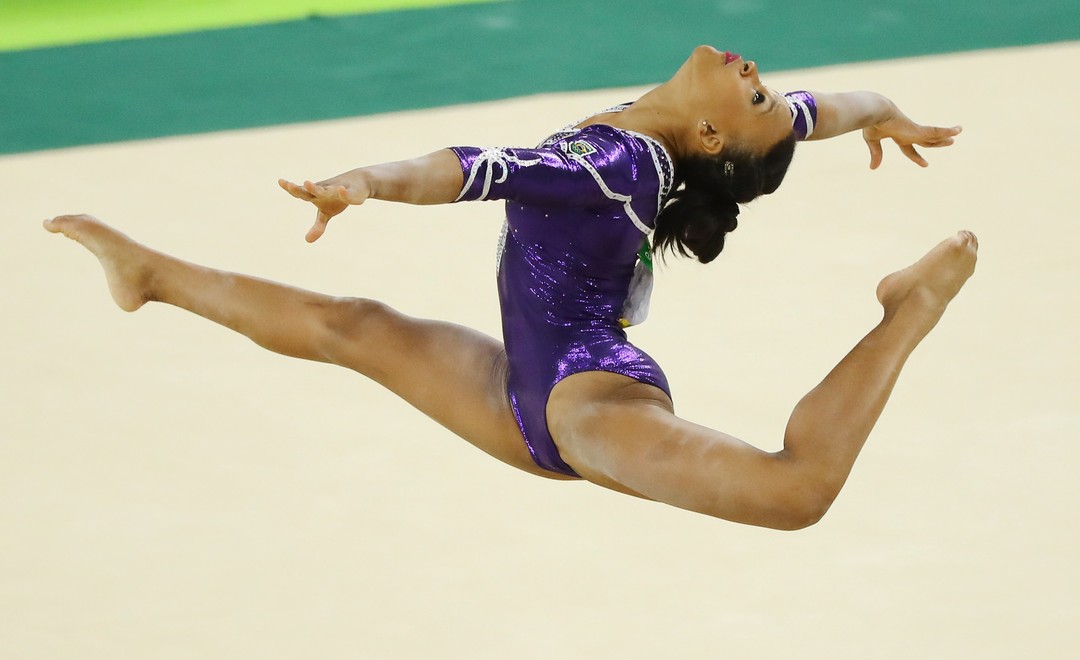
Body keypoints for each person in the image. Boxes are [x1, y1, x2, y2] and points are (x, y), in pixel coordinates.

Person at [45, 46, 976, 530]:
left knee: (796, 492)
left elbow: (469, 169)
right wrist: (884, 114)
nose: (759, 77)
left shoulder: (605, 163)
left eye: (758, 94)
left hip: (585, 399)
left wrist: (364, 182)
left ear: (711, 135)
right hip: (515, 396)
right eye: (771, 90)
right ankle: (151, 274)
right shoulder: (693, 138)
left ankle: (911, 308)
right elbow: (825, 112)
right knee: (352, 324)